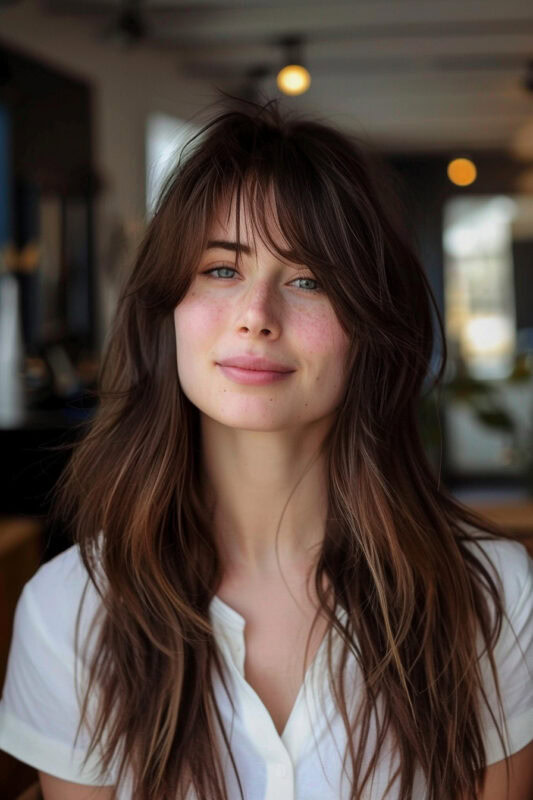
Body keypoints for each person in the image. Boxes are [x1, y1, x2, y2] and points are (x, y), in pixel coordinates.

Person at [0, 95, 532, 800]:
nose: (256, 317)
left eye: (308, 280)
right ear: (168, 311)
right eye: (222, 270)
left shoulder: (486, 594)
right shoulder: (71, 609)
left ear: (369, 325)